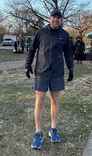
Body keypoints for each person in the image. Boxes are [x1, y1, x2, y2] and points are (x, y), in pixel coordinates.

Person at [25, 9, 73, 149]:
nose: (56, 19)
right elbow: (32, 49)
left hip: (57, 73)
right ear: (50, 18)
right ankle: (38, 132)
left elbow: (68, 54)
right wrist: (28, 65)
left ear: (61, 20)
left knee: (54, 100)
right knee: (39, 100)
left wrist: (71, 68)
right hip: (42, 72)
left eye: (58, 17)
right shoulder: (41, 32)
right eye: (54, 17)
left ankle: (53, 129)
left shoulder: (64, 35)